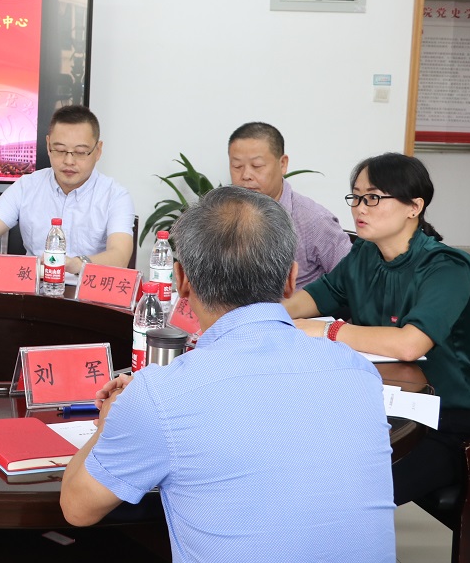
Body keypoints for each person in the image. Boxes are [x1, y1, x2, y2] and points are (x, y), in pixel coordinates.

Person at [60, 186, 395, 561]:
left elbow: (76, 508)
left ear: (182, 280)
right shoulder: (358, 372)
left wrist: (112, 420)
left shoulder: (161, 395)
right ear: (291, 279)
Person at [284, 152, 470, 505]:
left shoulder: (448, 266)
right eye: (356, 197)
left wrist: (328, 331)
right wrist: (260, 315)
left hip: (443, 423)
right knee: (300, 466)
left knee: (347, 495)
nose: (360, 208)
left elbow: (410, 344)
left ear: (414, 207)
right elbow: (316, 296)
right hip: (377, 409)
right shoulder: (365, 255)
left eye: (374, 198)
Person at [0, 106, 134, 278]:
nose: (69, 161)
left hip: (88, 290)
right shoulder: (26, 186)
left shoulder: (115, 196)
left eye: (80, 152)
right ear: (48, 145)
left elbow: (119, 256)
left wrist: (76, 264)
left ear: (98, 151)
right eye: (59, 150)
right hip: (35, 288)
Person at [228, 121, 350, 288]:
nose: (246, 175)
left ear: (282, 164)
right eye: (237, 166)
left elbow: (352, 281)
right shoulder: (223, 215)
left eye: (257, 166)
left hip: (297, 305)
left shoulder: (315, 221)